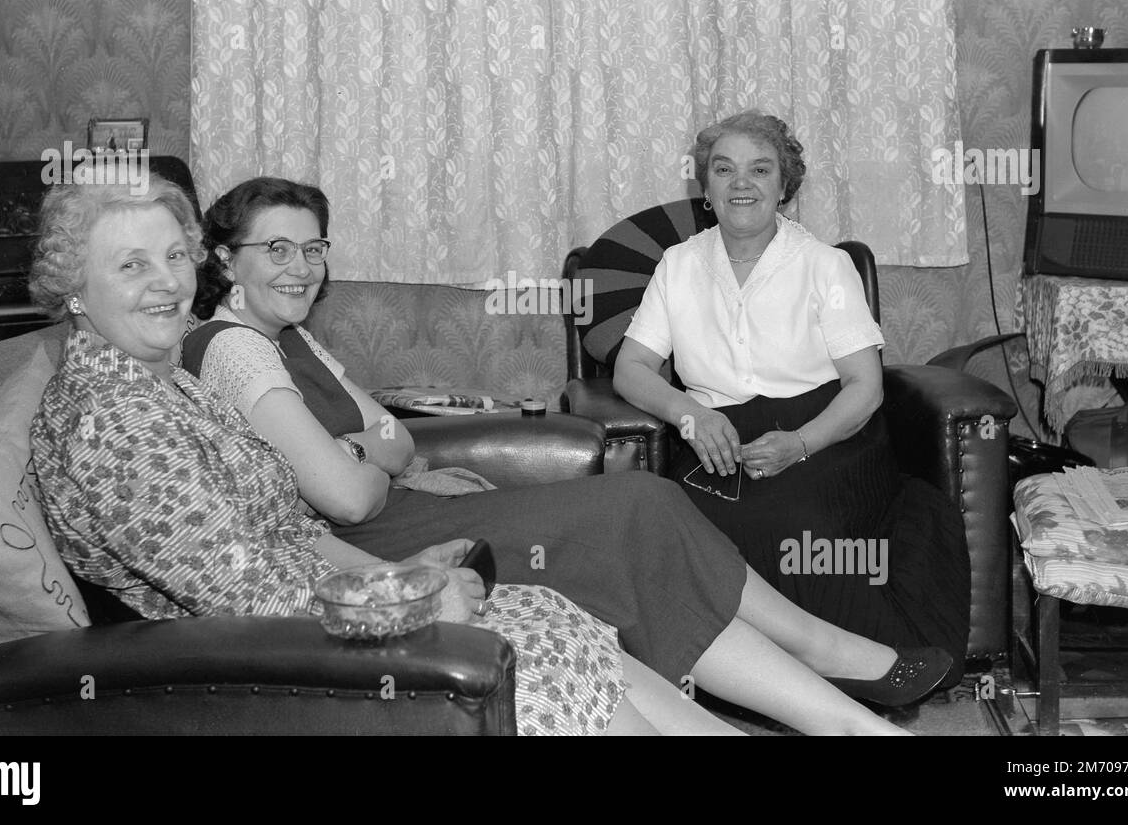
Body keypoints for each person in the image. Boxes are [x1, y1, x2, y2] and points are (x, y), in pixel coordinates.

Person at [180, 175, 952, 732]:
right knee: (639, 507)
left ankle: (837, 695)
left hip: (399, 509)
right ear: (223, 260)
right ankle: (836, 679)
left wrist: (358, 451)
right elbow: (349, 497)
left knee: (644, 516)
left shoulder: (292, 338)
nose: (302, 267)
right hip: (365, 547)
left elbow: (397, 437)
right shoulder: (235, 351)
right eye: (275, 249)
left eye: (312, 248)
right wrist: (364, 458)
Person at [25, 174, 769, 736]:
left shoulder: (162, 381)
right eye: (131, 266)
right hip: (276, 665)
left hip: (330, 608)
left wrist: (401, 575)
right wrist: (413, 601)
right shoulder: (113, 423)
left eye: (172, 257)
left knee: (548, 612)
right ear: (75, 292)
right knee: (533, 656)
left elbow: (294, 530)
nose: (166, 283)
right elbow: (245, 598)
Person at [612, 109, 971, 678]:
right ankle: (735, 676)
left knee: (791, 522)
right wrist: (689, 414)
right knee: (680, 524)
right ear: (705, 187)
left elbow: (865, 387)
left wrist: (800, 444)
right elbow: (631, 368)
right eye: (724, 169)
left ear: (785, 186)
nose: (741, 183)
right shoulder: (677, 266)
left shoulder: (825, 266)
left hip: (828, 433)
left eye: (760, 169)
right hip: (716, 437)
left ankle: (848, 668)